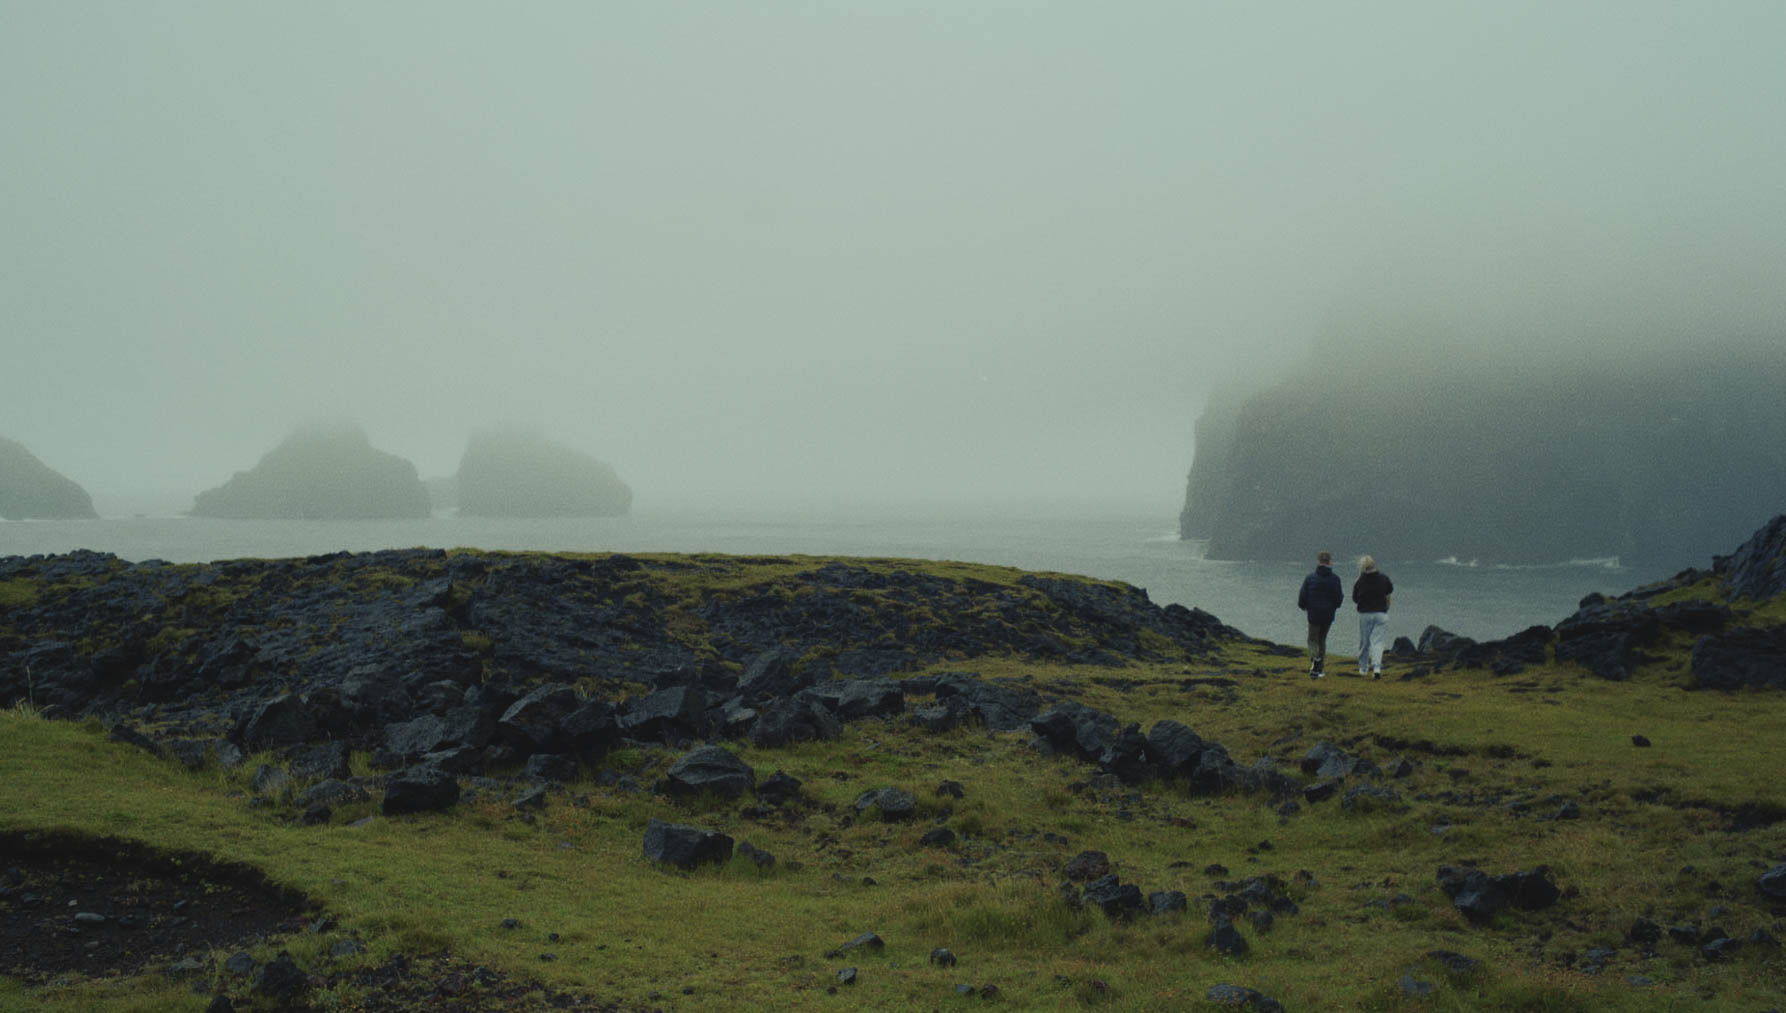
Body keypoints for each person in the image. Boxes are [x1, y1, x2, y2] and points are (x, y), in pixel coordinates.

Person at [1296, 550, 1344, 679]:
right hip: (1328, 614)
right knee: (1322, 640)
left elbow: (1303, 596)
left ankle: (1315, 660)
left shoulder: (1310, 578)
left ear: (1318, 561)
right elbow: (1339, 598)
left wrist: (1303, 606)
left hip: (1314, 614)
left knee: (1312, 640)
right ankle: (1320, 669)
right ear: (1329, 562)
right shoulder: (1335, 579)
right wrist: (1334, 607)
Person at [1352, 555, 1394, 678]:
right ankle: (1376, 668)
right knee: (1378, 642)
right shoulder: (1384, 579)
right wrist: (1386, 607)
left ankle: (1363, 668)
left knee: (1365, 642)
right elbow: (1389, 593)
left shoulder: (1360, 581)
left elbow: (1355, 599)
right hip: (1381, 613)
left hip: (1365, 614)